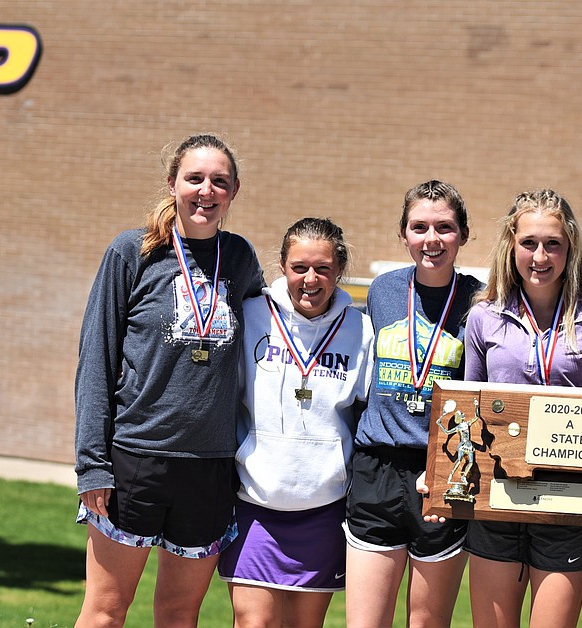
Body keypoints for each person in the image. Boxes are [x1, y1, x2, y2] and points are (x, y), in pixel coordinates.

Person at [74, 133, 265, 627]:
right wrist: (92, 464)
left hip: (210, 465)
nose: (206, 191)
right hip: (137, 457)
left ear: (234, 190)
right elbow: (96, 358)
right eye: (195, 178)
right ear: (172, 183)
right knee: (104, 612)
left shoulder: (241, 259)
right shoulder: (132, 252)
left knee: (180, 614)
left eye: (219, 182)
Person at [460, 189, 582, 628]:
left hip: (568, 502)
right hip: (498, 497)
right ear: (511, 245)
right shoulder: (484, 316)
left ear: (570, 248)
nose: (540, 255)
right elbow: (467, 409)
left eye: (553, 243)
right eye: (529, 242)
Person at [217, 218, 374, 627]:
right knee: (254, 623)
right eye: (299, 267)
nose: (310, 279)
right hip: (255, 502)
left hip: (322, 507)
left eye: (322, 268)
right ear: (282, 267)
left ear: (339, 269)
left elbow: (366, 413)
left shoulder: (360, 330)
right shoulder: (252, 316)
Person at [344, 180, 484, 628]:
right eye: (419, 227)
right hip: (377, 469)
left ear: (463, 234)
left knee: (426, 622)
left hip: (444, 470)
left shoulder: (481, 301)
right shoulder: (383, 290)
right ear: (403, 234)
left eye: (444, 227)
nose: (432, 239)